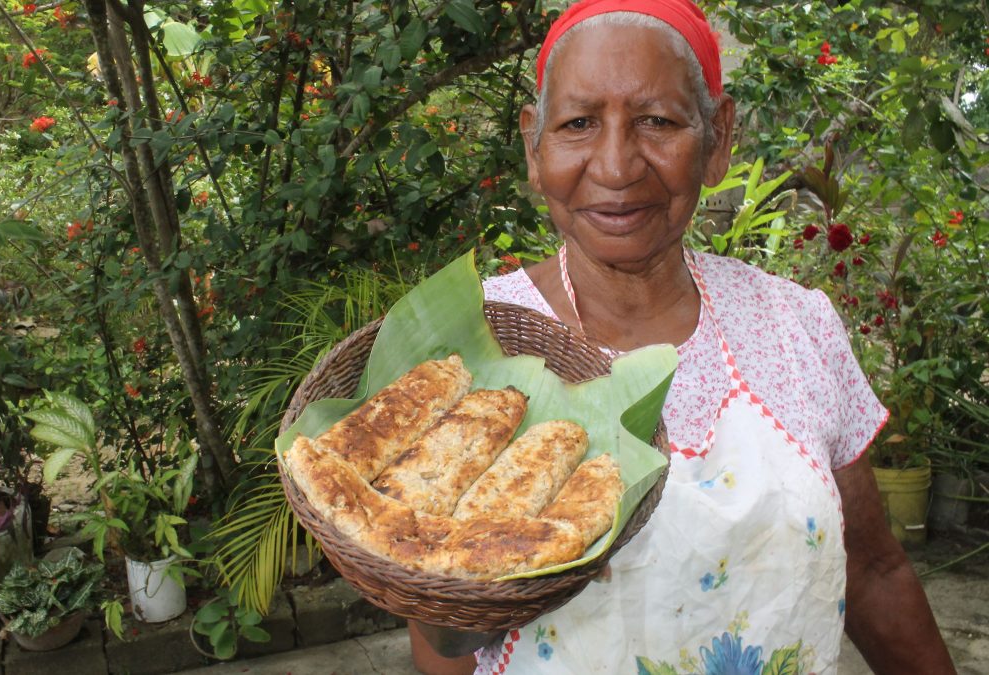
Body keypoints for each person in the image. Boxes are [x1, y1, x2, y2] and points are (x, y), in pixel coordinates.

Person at [408, 0, 957, 673]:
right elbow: (442, 637)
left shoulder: (797, 325)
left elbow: (873, 569)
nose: (614, 166)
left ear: (719, 138)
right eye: (579, 123)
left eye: (657, 122)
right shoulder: (473, 349)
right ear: (533, 145)